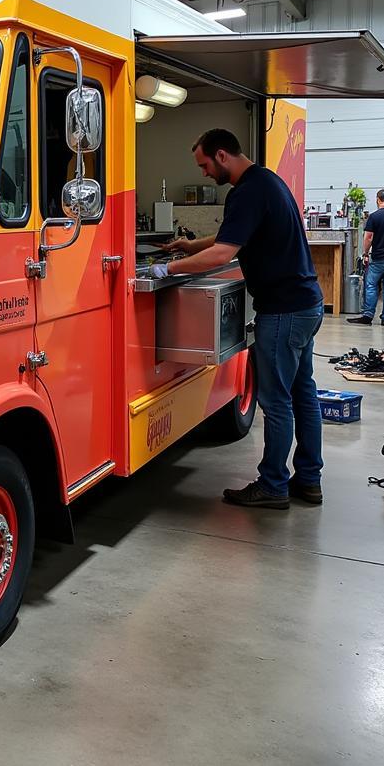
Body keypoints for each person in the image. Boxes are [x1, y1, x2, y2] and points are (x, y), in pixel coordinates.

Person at [152, 129, 325, 510]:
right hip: (306, 304)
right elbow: (228, 238)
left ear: (222, 155)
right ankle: (309, 480)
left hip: (282, 312)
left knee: (276, 401)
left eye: (204, 165)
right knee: (303, 394)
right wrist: (189, 244)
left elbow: (221, 256)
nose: (204, 174)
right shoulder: (267, 181)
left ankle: (273, 485)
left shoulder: (246, 191)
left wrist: (166, 269)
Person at [346, 189, 384, 328]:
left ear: (378, 199)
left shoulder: (374, 217)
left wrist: (365, 253)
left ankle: (368, 315)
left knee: (370, 286)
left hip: (378, 258)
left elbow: (368, 237)